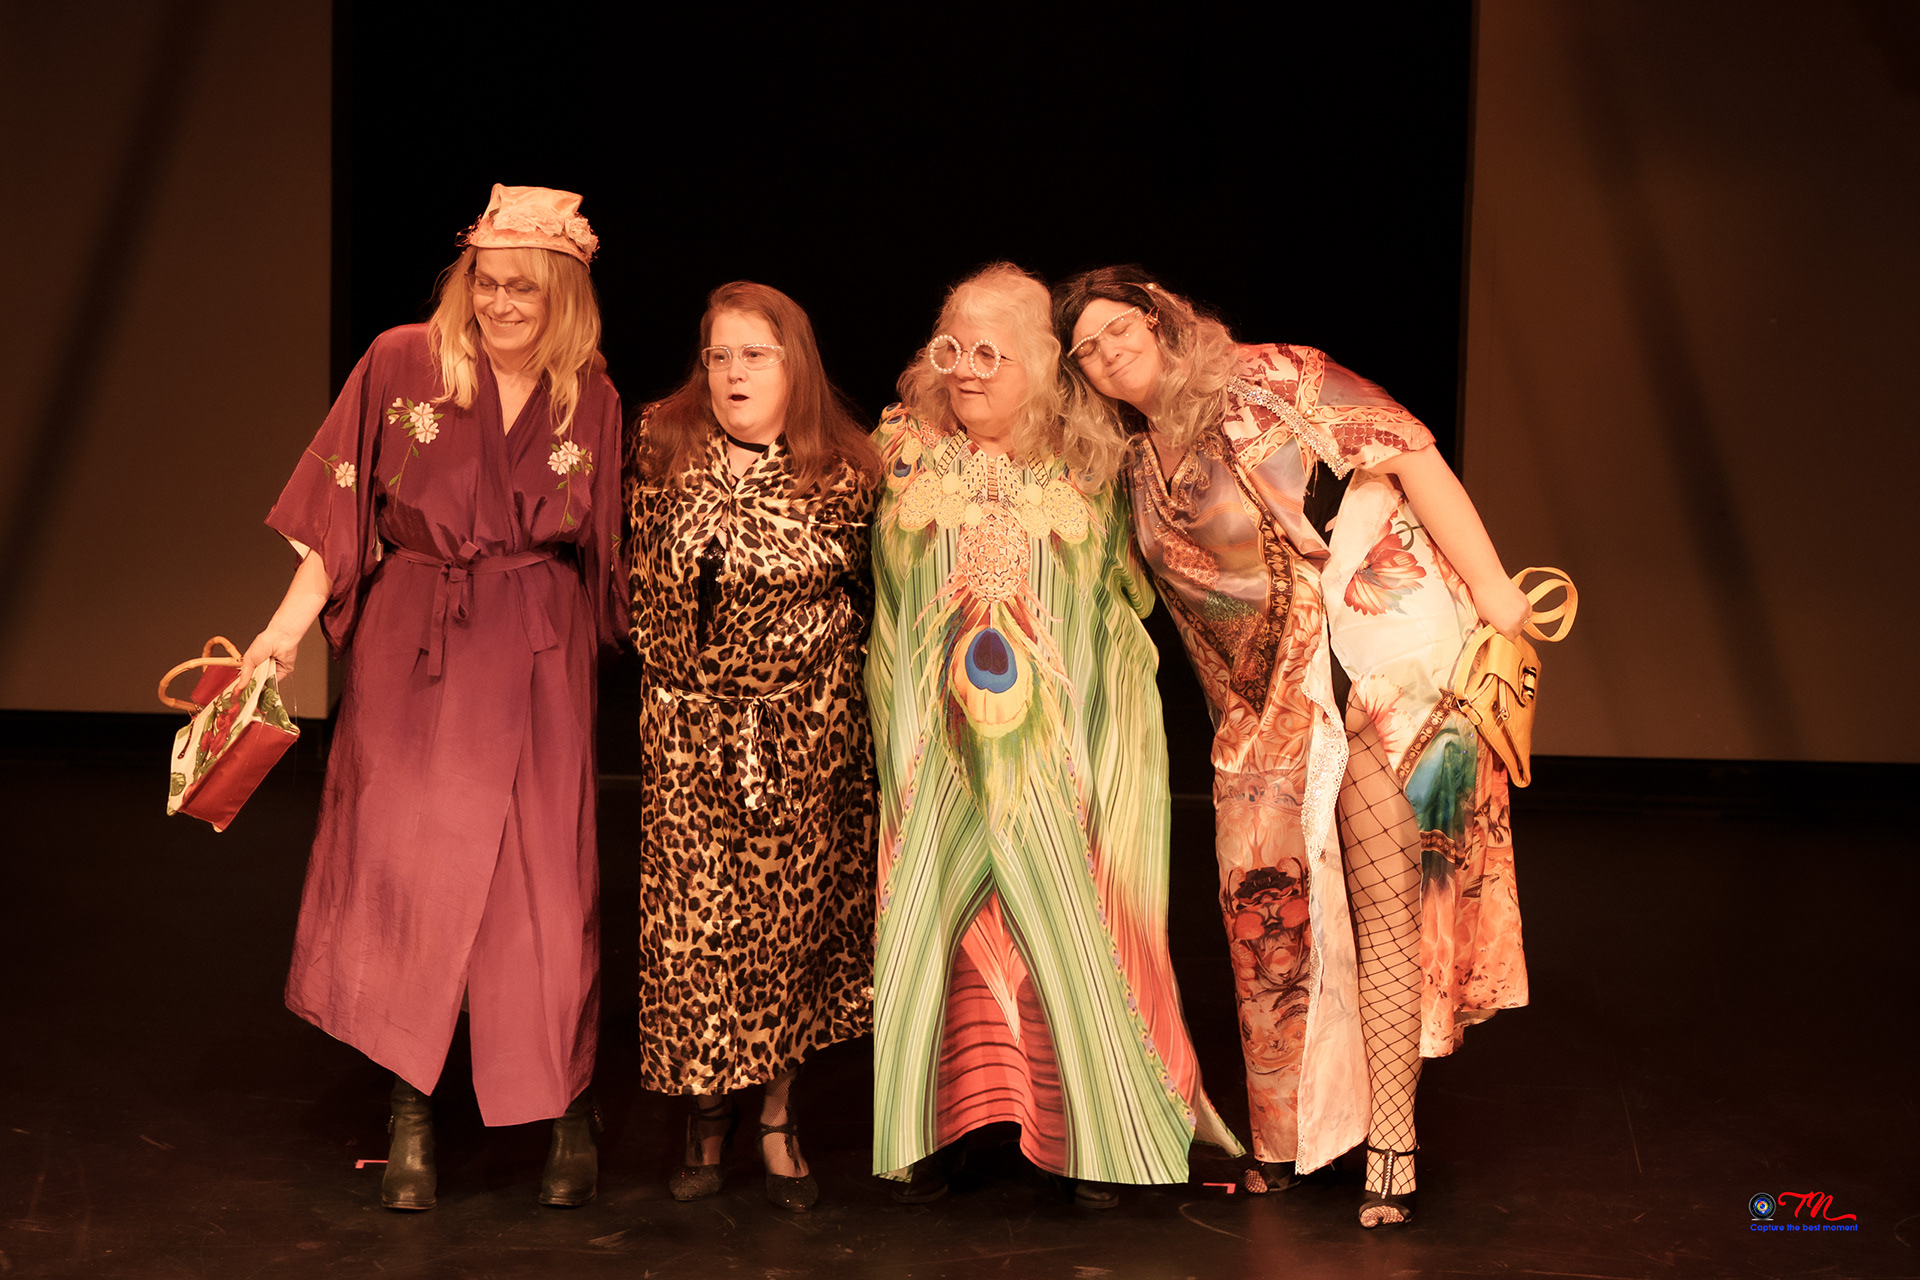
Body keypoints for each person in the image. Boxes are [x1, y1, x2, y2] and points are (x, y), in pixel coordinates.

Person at [1054, 267, 1533, 1229]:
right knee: (1267, 917)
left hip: (1367, 664)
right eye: (1086, 349)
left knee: (1385, 905)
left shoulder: (1271, 376)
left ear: (1159, 316)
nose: (1108, 352)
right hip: (1261, 709)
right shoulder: (1130, 463)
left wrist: (1496, 595)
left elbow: (1409, 448)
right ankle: (1289, 1138)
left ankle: (1392, 1143)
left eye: (1120, 327)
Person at [241, 185, 626, 1211]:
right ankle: (410, 1106)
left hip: (537, 640)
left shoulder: (589, 391)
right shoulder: (402, 360)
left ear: (563, 297)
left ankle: (565, 1103)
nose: (500, 304)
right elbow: (338, 513)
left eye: (524, 290)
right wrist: (283, 631)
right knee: (410, 871)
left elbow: (609, 549)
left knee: (546, 882)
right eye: (487, 283)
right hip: (417, 639)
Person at [867, 264, 1239, 1210]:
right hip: (935, 758)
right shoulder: (901, 449)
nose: (966, 369)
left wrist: (1111, 748)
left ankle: (1094, 1134)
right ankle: (934, 1131)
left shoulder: (1097, 468)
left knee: (1077, 929)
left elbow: (1132, 609)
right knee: (936, 930)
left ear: (1041, 366)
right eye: (951, 348)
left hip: (1058, 762)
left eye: (990, 353)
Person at [624, 281, 880, 1212]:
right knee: (693, 934)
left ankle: (776, 1116)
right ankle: (705, 1113)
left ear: (793, 364)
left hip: (802, 737)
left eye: (755, 355)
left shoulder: (845, 473)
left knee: (784, 937)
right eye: (719, 355)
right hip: (685, 734)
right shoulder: (659, 448)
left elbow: (870, 602)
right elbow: (631, 579)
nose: (734, 373)